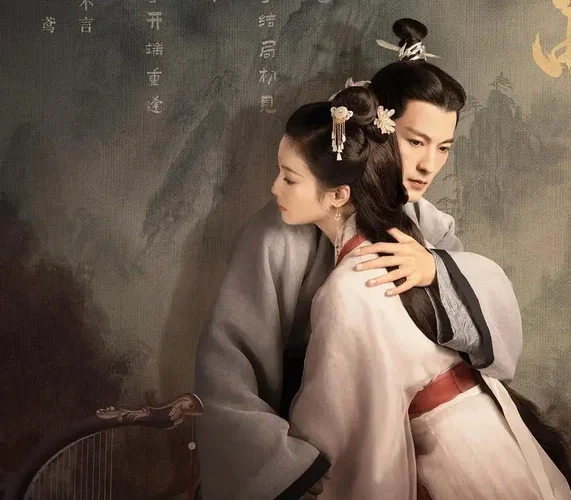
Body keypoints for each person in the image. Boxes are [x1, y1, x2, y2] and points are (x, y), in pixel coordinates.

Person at [195, 19, 520, 499]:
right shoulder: (281, 231)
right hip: (314, 432)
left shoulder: (429, 226)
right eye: (415, 141)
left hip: (425, 440)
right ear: (375, 132)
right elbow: (229, 361)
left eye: (444, 148)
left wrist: (437, 271)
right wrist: (284, 464)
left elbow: (465, 342)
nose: (429, 165)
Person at [279, 82, 571, 499]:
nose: (275, 189)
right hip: (491, 439)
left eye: (288, 178)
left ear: (339, 193)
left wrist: (435, 268)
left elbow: (334, 428)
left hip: (456, 458)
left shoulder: (358, 281)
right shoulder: (392, 243)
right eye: (415, 142)